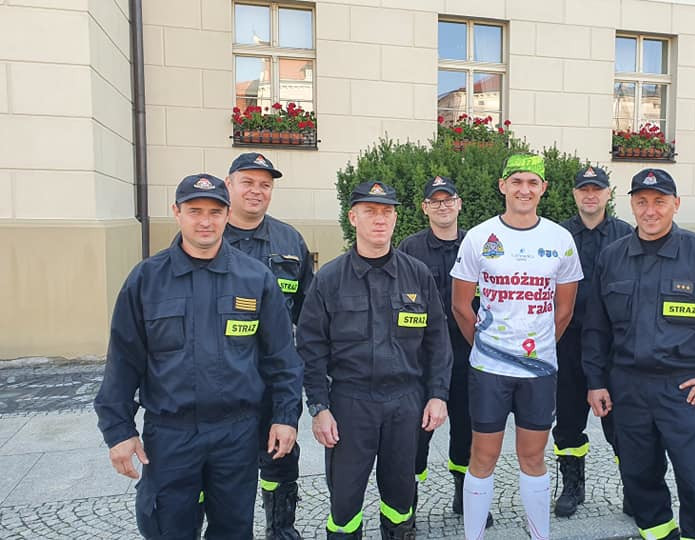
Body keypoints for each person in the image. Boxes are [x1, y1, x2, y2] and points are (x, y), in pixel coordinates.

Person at [94, 173, 303, 539]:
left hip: (236, 434)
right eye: (195, 211)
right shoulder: (146, 279)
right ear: (177, 212)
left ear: (227, 215)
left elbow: (281, 358)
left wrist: (286, 417)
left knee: (233, 530)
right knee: (168, 528)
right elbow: (123, 362)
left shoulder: (255, 278)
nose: (205, 221)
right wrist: (118, 431)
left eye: (214, 212)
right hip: (171, 435)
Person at [582, 168, 695, 540]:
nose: (650, 211)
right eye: (642, 202)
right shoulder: (612, 257)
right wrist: (595, 382)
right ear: (631, 205)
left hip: (683, 390)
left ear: (676, 204)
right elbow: (596, 327)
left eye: (660, 202)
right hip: (628, 390)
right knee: (639, 481)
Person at [297, 181, 453, 540]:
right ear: (353, 217)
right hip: (351, 405)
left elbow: (437, 341)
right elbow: (311, 348)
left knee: (401, 497)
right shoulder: (330, 279)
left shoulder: (417, 274)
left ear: (395, 218)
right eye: (370, 211)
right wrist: (319, 408)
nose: (379, 219)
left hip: (405, 403)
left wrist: (437, 395)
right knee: (345, 503)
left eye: (386, 212)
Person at [450, 153, 583, 540]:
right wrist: (489, 348)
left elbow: (564, 310)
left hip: (538, 372)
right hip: (489, 371)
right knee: (483, 456)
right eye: (517, 181)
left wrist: (536, 352)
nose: (524, 189)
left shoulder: (560, 239)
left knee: (533, 457)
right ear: (503, 186)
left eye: (532, 183)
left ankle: (539, 535)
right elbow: (460, 306)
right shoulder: (479, 237)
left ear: (543, 188)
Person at [223, 152, 313, 540]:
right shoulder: (208, 235)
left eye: (265, 184)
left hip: (274, 378)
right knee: (223, 466)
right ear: (229, 185)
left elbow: (308, 313)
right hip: (222, 379)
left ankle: (281, 529)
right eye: (248, 182)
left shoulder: (289, 240)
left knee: (280, 458)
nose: (256, 191)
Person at [396, 176, 492, 528]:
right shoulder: (409, 248)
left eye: (448, 199)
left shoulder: (478, 244)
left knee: (468, 429)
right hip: (423, 357)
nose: (442, 206)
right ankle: (406, 501)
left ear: (459, 204)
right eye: (435, 201)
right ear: (425, 208)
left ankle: (464, 495)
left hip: (469, 352)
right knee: (416, 432)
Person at [553, 166, 633, 518]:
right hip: (568, 342)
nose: (590, 195)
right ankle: (573, 485)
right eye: (583, 189)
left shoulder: (625, 235)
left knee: (621, 422)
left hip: (613, 345)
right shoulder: (557, 236)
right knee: (569, 421)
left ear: (608, 194)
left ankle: (633, 486)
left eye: (596, 189)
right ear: (574, 194)